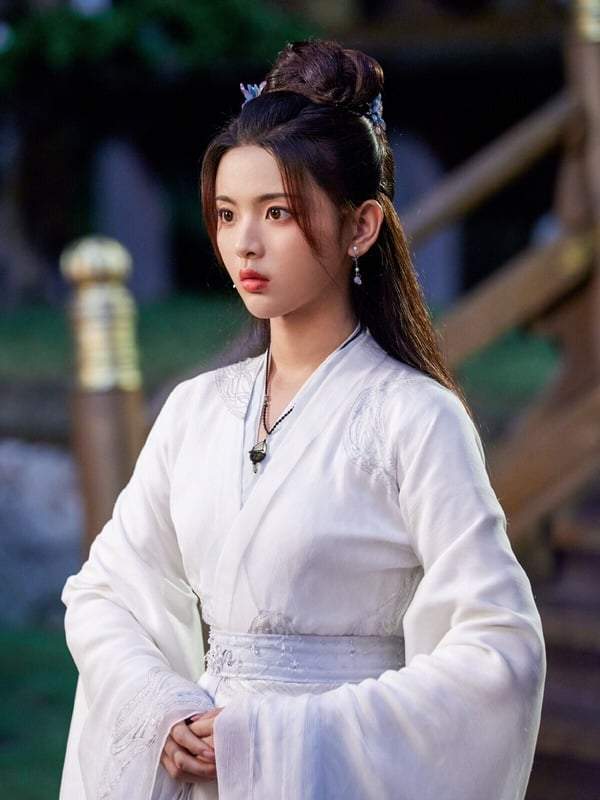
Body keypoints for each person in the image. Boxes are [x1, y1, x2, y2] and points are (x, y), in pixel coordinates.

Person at [59, 38, 546, 800]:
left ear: (362, 227)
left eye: (278, 212)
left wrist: (275, 737)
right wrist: (163, 708)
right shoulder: (195, 412)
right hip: (199, 767)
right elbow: (107, 591)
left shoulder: (417, 420)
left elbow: (499, 651)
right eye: (227, 214)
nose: (244, 244)